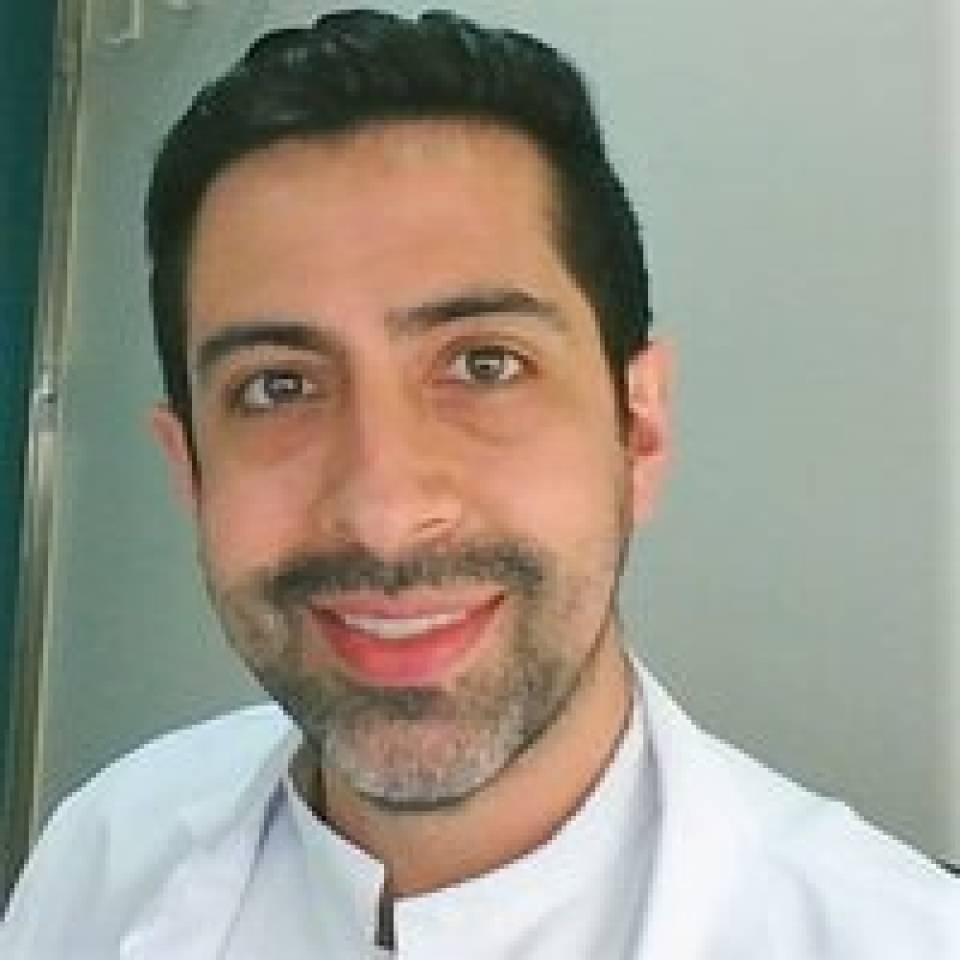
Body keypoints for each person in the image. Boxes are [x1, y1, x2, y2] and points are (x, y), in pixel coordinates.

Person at [2, 9, 957, 958]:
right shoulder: (102, 855)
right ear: (189, 470)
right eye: (278, 387)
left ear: (639, 428)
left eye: (484, 365)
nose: (384, 513)